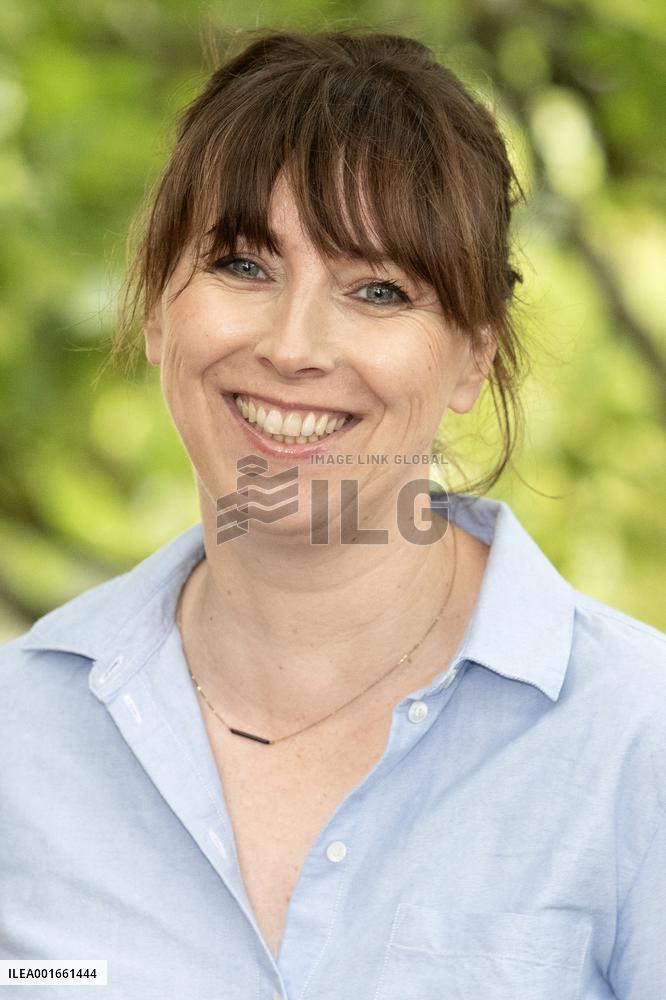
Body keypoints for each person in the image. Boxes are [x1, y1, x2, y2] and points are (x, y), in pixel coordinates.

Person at [1, 27, 664, 1000]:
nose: (295, 344)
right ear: (155, 301)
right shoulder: (20, 741)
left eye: (378, 288)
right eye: (242, 265)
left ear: (474, 355)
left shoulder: (636, 736)